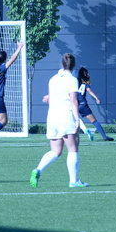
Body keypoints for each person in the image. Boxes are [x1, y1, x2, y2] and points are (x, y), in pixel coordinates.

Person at [30, 53, 89, 188]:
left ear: (62, 64)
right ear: (74, 65)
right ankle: (73, 181)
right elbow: (73, 101)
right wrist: (77, 119)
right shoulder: (72, 80)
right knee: (73, 149)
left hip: (52, 117)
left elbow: (51, 98)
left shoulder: (53, 79)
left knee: (55, 151)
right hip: (66, 116)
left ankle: (38, 170)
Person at [77, 66, 114, 142]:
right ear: (85, 74)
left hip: (75, 105)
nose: (89, 74)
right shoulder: (85, 83)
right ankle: (104, 137)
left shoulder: (75, 82)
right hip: (83, 104)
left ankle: (75, 136)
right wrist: (96, 98)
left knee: (74, 120)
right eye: (87, 73)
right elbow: (89, 90)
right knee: (94, 121)